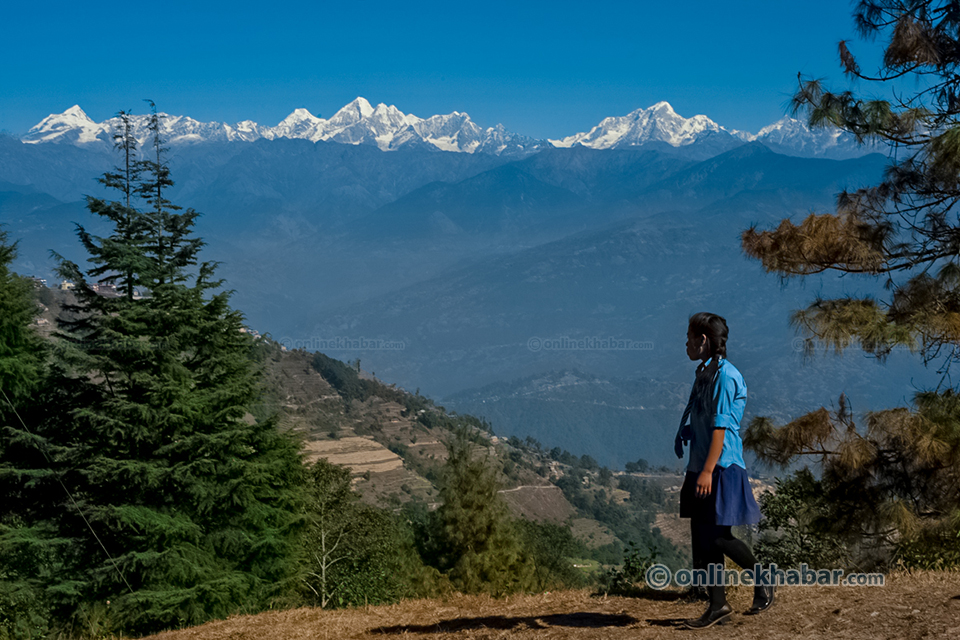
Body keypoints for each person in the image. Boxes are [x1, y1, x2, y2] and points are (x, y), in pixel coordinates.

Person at [674, 312, 774, 629]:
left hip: (720, 466)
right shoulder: (706, 373)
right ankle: (718, 605)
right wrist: (687, 433)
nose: (685, 342)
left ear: (703, 340)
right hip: (703, 464)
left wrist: (706, 471)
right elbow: (707, 421)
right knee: (707, 539)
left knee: (718, 539)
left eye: (689, 336)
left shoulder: (726, 376)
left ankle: (763, 579)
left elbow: (721, 428)